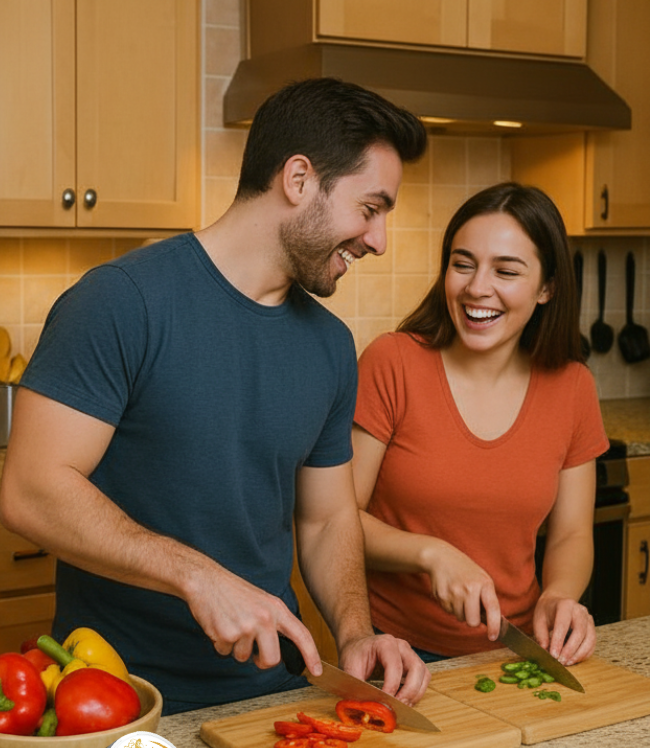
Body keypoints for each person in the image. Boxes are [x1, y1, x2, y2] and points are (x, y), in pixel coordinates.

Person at [0, 78, 432, 714]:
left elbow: (326, 519)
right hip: (116, 698)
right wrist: (196, 576)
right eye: (370, 208)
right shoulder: (122, 301)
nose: (379, 239)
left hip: (270, 697)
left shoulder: (331, 347)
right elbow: (31, 490)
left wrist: (356, 633)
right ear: (299, 178)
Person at [352, 182, 608, 668]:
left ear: (547, 287)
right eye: (462, 263)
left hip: (518, 652)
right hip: (395, 652)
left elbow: (572, 533)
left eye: (506, 271)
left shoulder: (573, 386)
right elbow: (337, 521)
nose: (476, 287)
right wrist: (431, 554)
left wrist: (557, 596)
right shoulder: (393, 362)